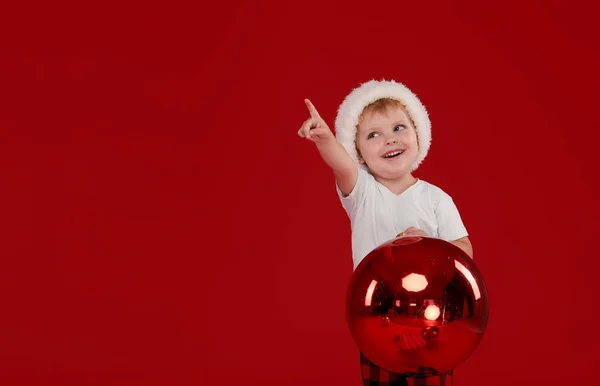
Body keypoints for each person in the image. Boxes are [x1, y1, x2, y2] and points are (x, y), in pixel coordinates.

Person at [298, 79, 472, 385]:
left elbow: (464, 251)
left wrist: (431, 248)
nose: (389, 140)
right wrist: (324, 138)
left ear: (419, 136)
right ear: (360, 154)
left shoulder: (436, 199)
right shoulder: (363, 192)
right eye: (373, 135)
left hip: (431, 320)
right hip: (379, 320)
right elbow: (341, 165)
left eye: (399, 128)